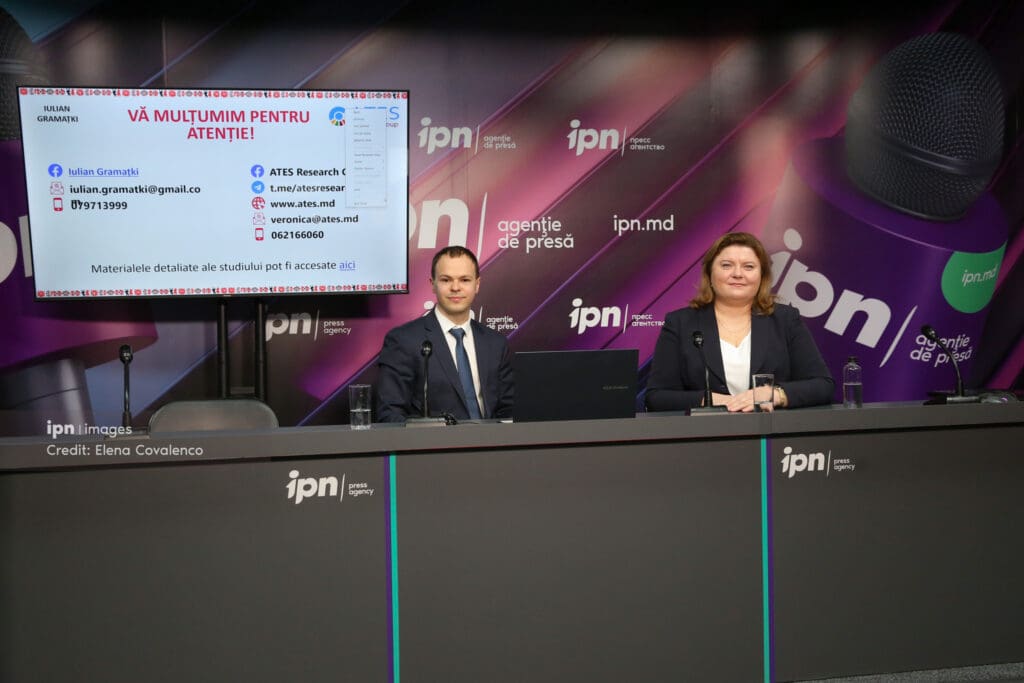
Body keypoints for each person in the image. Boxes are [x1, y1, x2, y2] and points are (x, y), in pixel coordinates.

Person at [645, 232, 833, 412]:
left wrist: (774, 394)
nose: (737, 274)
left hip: (772, 431)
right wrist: (709, 400)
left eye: (748, 267)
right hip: (704, 432)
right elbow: (657, 397)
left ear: (762, 276)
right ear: (710, 274)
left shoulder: (786, 319)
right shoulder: (679, 323)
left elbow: (822, 385)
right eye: (726, 265)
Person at [376, 246, 514, 422]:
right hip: (433, 440)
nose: (455, 287)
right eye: (446, 280)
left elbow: (510, 410)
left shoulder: (495, 343)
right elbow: (390, 413)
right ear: (432, 284)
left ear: (477, 284)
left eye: (465, 280)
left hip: (492, 439)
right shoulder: (403, 340)